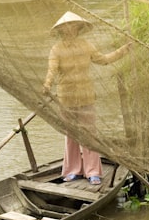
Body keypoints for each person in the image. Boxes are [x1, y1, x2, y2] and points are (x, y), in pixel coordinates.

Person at [42, 11, 130, 186]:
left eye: (74, 25)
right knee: (71, 135)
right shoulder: (57, 49)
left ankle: (93, 172)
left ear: (79, 28)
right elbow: (52, 70)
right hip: (66, 98)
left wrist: (123, 50)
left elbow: (103, 60)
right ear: (61, 30)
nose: (70, 29)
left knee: (89, 135)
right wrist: (47, 84)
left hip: (86, 96)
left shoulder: (86, 45)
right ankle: (72, 170)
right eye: (67, 26)